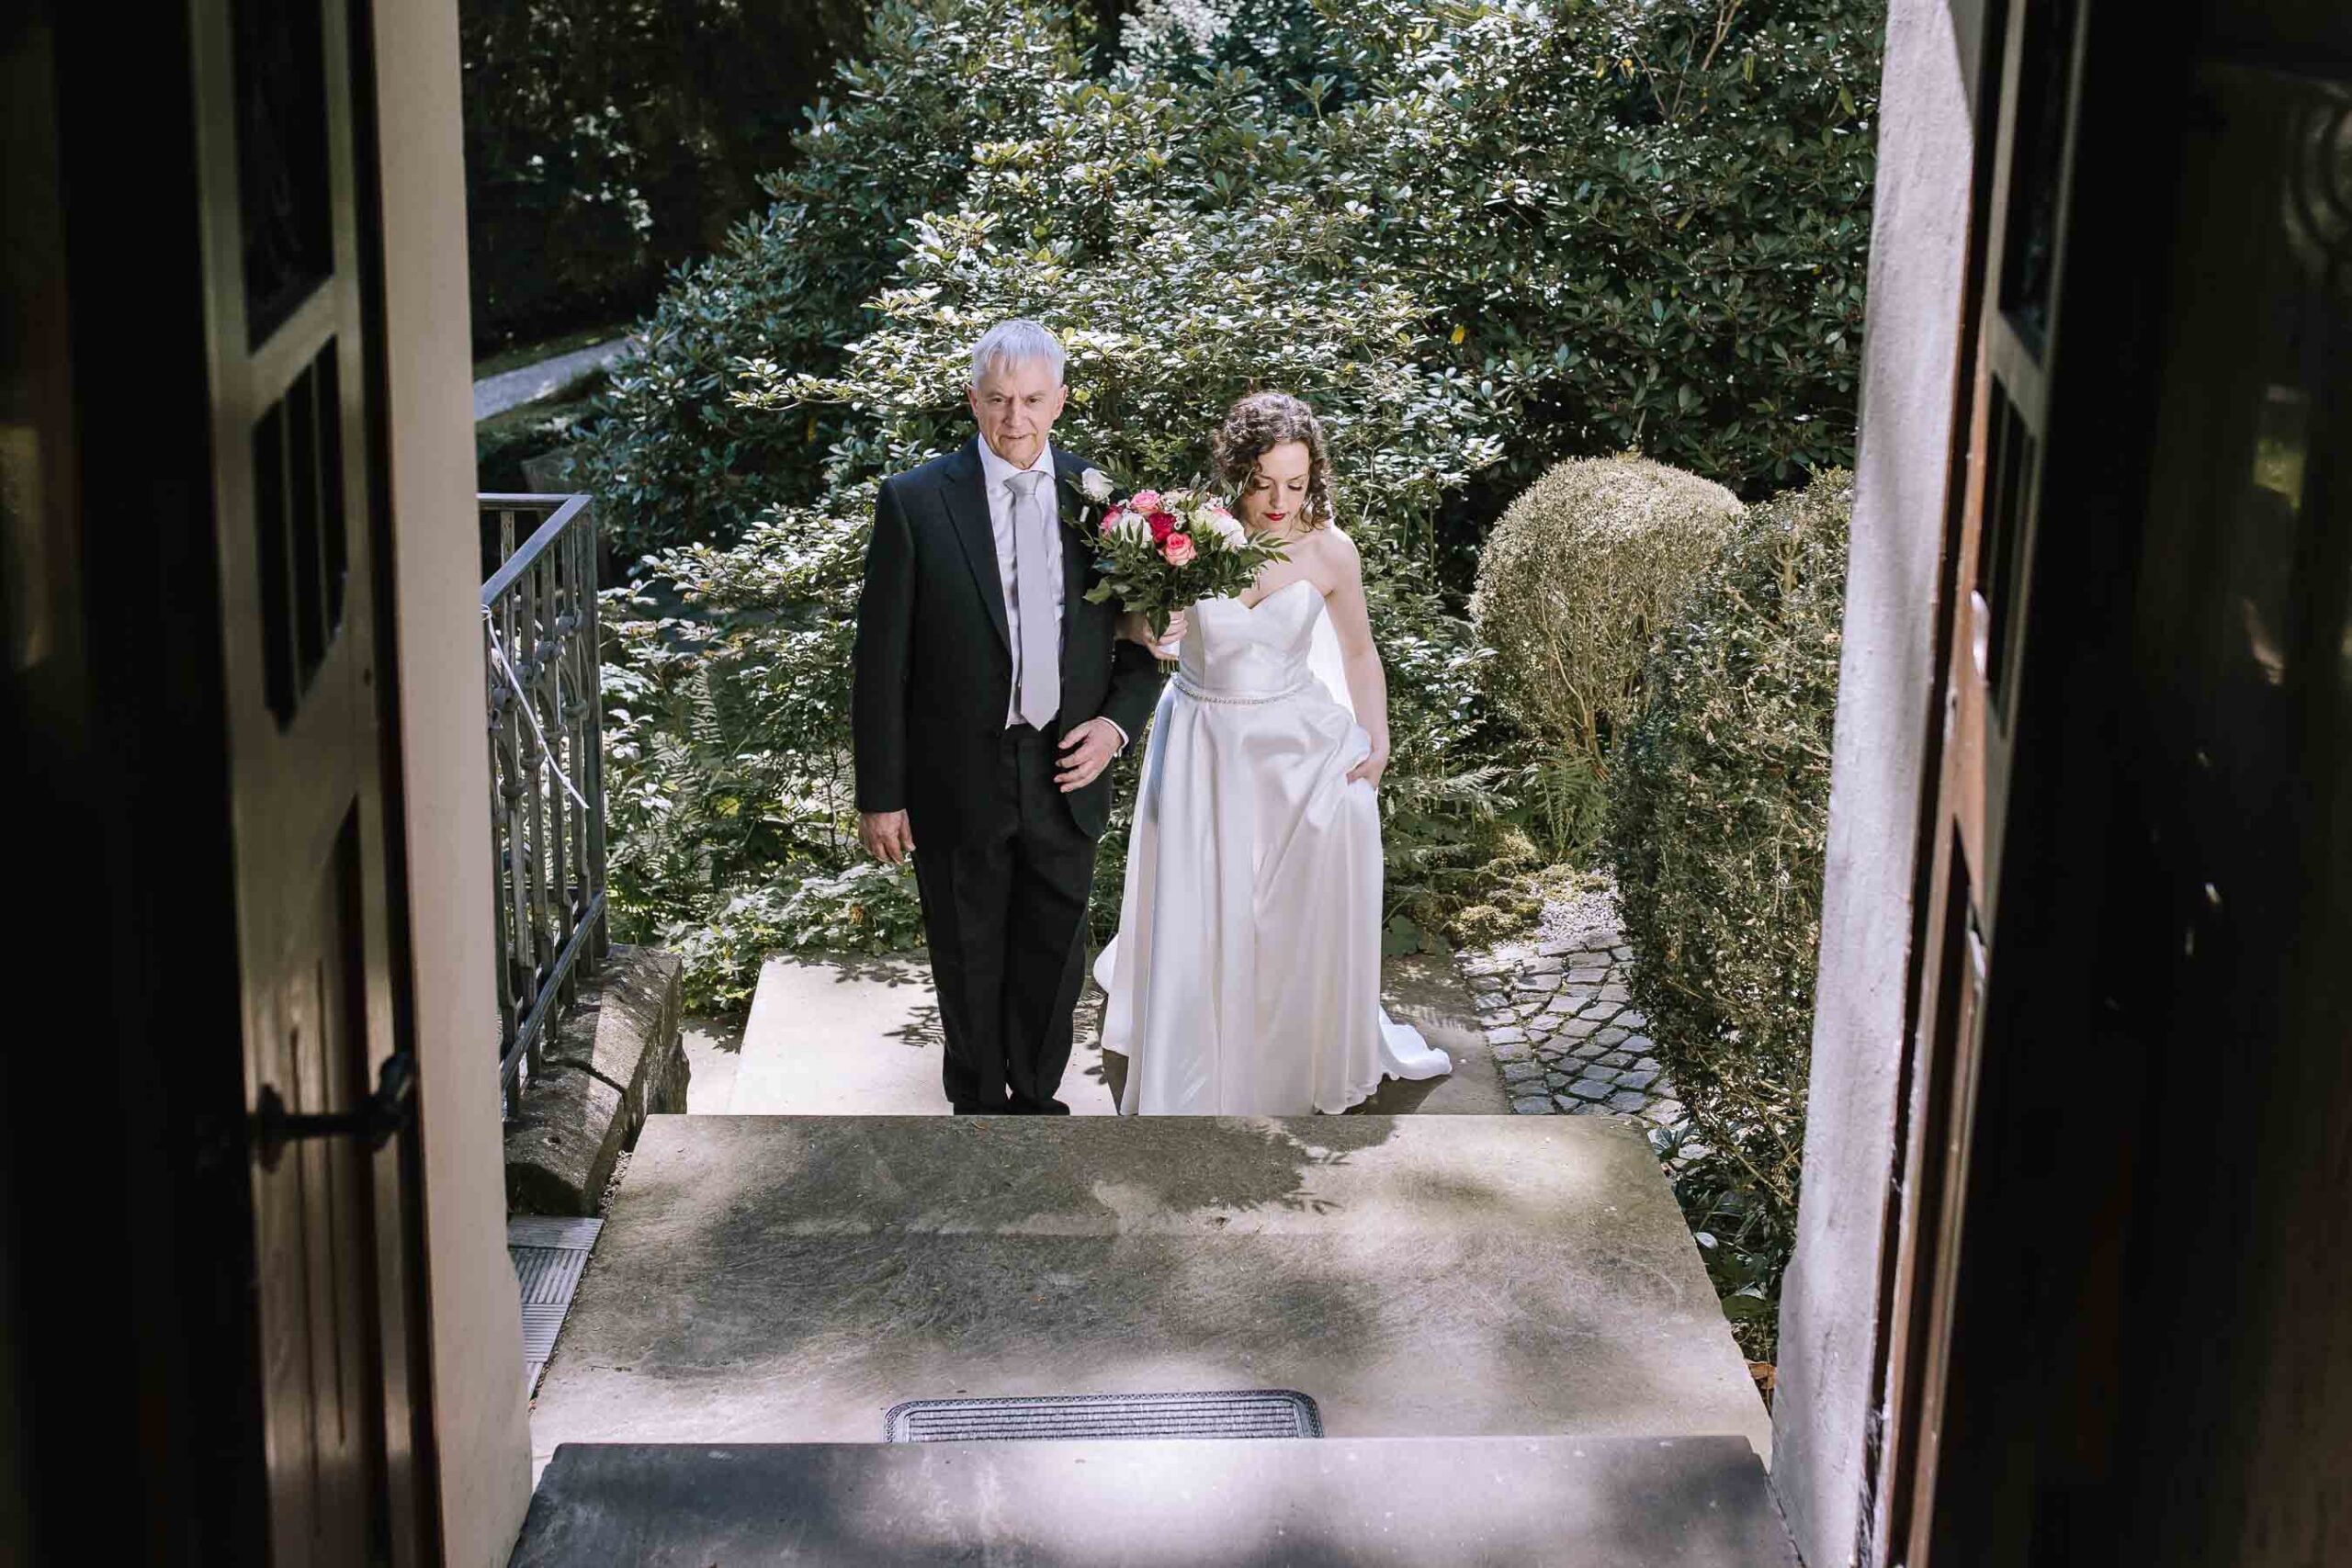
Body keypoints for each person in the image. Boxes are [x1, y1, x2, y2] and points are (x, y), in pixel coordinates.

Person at [1092, 391, 1453, 1113]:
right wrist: (1147, 629)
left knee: (1321, 852)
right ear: (1237, 473)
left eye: (1296, 482)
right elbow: (1130, 625)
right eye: (1263, 484)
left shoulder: (1331, 550)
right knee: (1207, 906)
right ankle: (1198, 1054)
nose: (1280, 502)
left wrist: (1377, 741)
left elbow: (1359, 652)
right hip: (1202, 740)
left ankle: (1290, 1052)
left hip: (1294, 740)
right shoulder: (1187, 535)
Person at [852, 320, 1165, 1113]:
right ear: (973, 400)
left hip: (1068, 767)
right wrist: (881, 794)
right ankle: (977, 1112)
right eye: (997, 399)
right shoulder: (916, 502)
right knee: (967, 954)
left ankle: (1037, 1108)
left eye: (1030, 399)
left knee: (1053, 956)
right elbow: (880, 661)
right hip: (958, 774)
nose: (1014, 418)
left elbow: (1141, 647)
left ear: (1060, 400)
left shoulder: (1107, 503)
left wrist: (1115, 727)